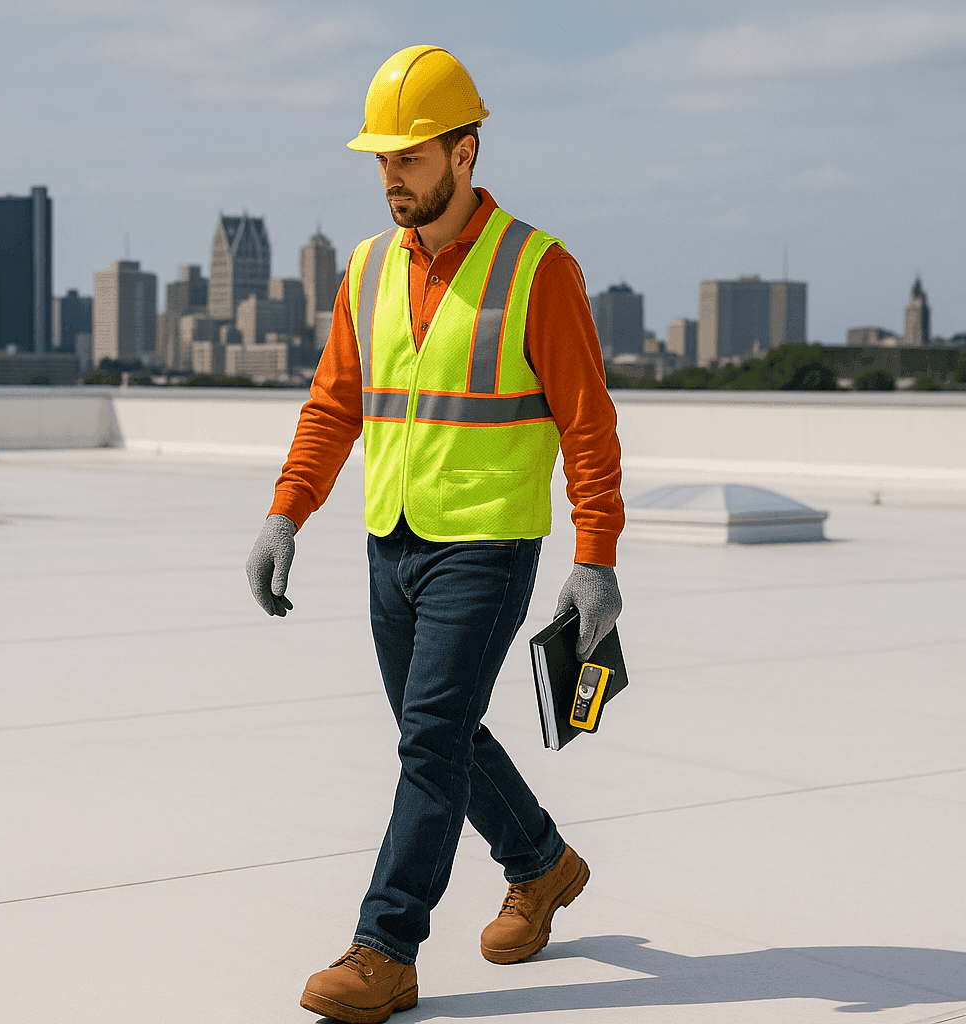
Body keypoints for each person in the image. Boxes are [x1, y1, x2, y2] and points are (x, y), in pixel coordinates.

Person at [245, 44, 625, 1024]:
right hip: (392, 537)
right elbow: (336, 404)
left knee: (428, 741)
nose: (390, 177)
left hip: (488, 545)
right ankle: (541, 864)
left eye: (409, 157)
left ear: (464, 151)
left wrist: (596, 559)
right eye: (380, 159)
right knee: (437, 733)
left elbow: (588, 423)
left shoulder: (538, 269)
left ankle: (386, 947)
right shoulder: (368, 268)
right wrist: (288, 510)